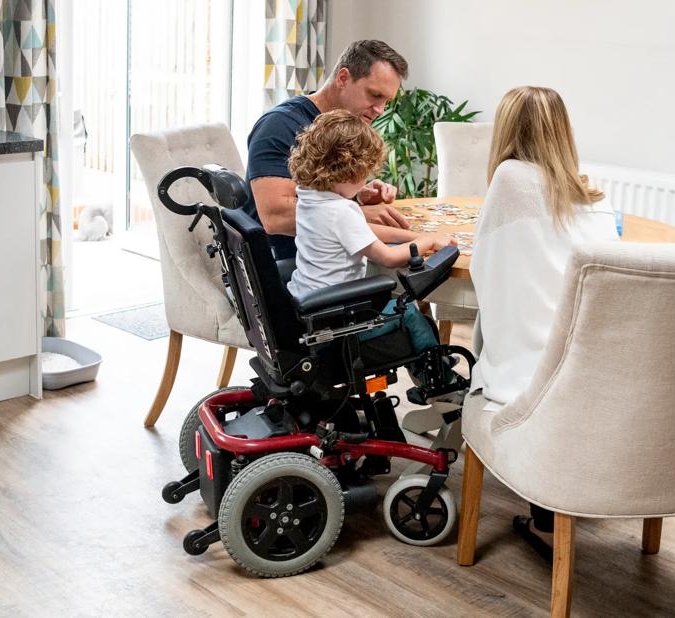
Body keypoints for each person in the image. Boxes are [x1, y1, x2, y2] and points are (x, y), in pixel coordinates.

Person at [469, 86, 620, 551]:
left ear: (508, 130)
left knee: (478, 342)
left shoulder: (510, 179)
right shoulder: (590, 191)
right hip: (590, 369)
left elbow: (483, 264)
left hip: (529, 372)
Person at [286, 109, 454, 356]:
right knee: (407, 312)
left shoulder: (309, 198)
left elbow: (360, 233)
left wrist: (414, 237)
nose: (366, 180)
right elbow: (388, 258)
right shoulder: (342, 210)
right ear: (348, 170)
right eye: (364, 173)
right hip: (338, 319)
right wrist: (428, 240)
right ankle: (439, 378)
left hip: (309, 310)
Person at [243, 40, 416, 259]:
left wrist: (357, 197)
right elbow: (275, 218)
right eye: (375, 95)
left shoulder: (344, 129)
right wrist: (357, 215)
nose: (380, 110)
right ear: (343, 78)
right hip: (292, 272)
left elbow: (311, 197)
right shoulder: (279, 126)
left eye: (386, 102)